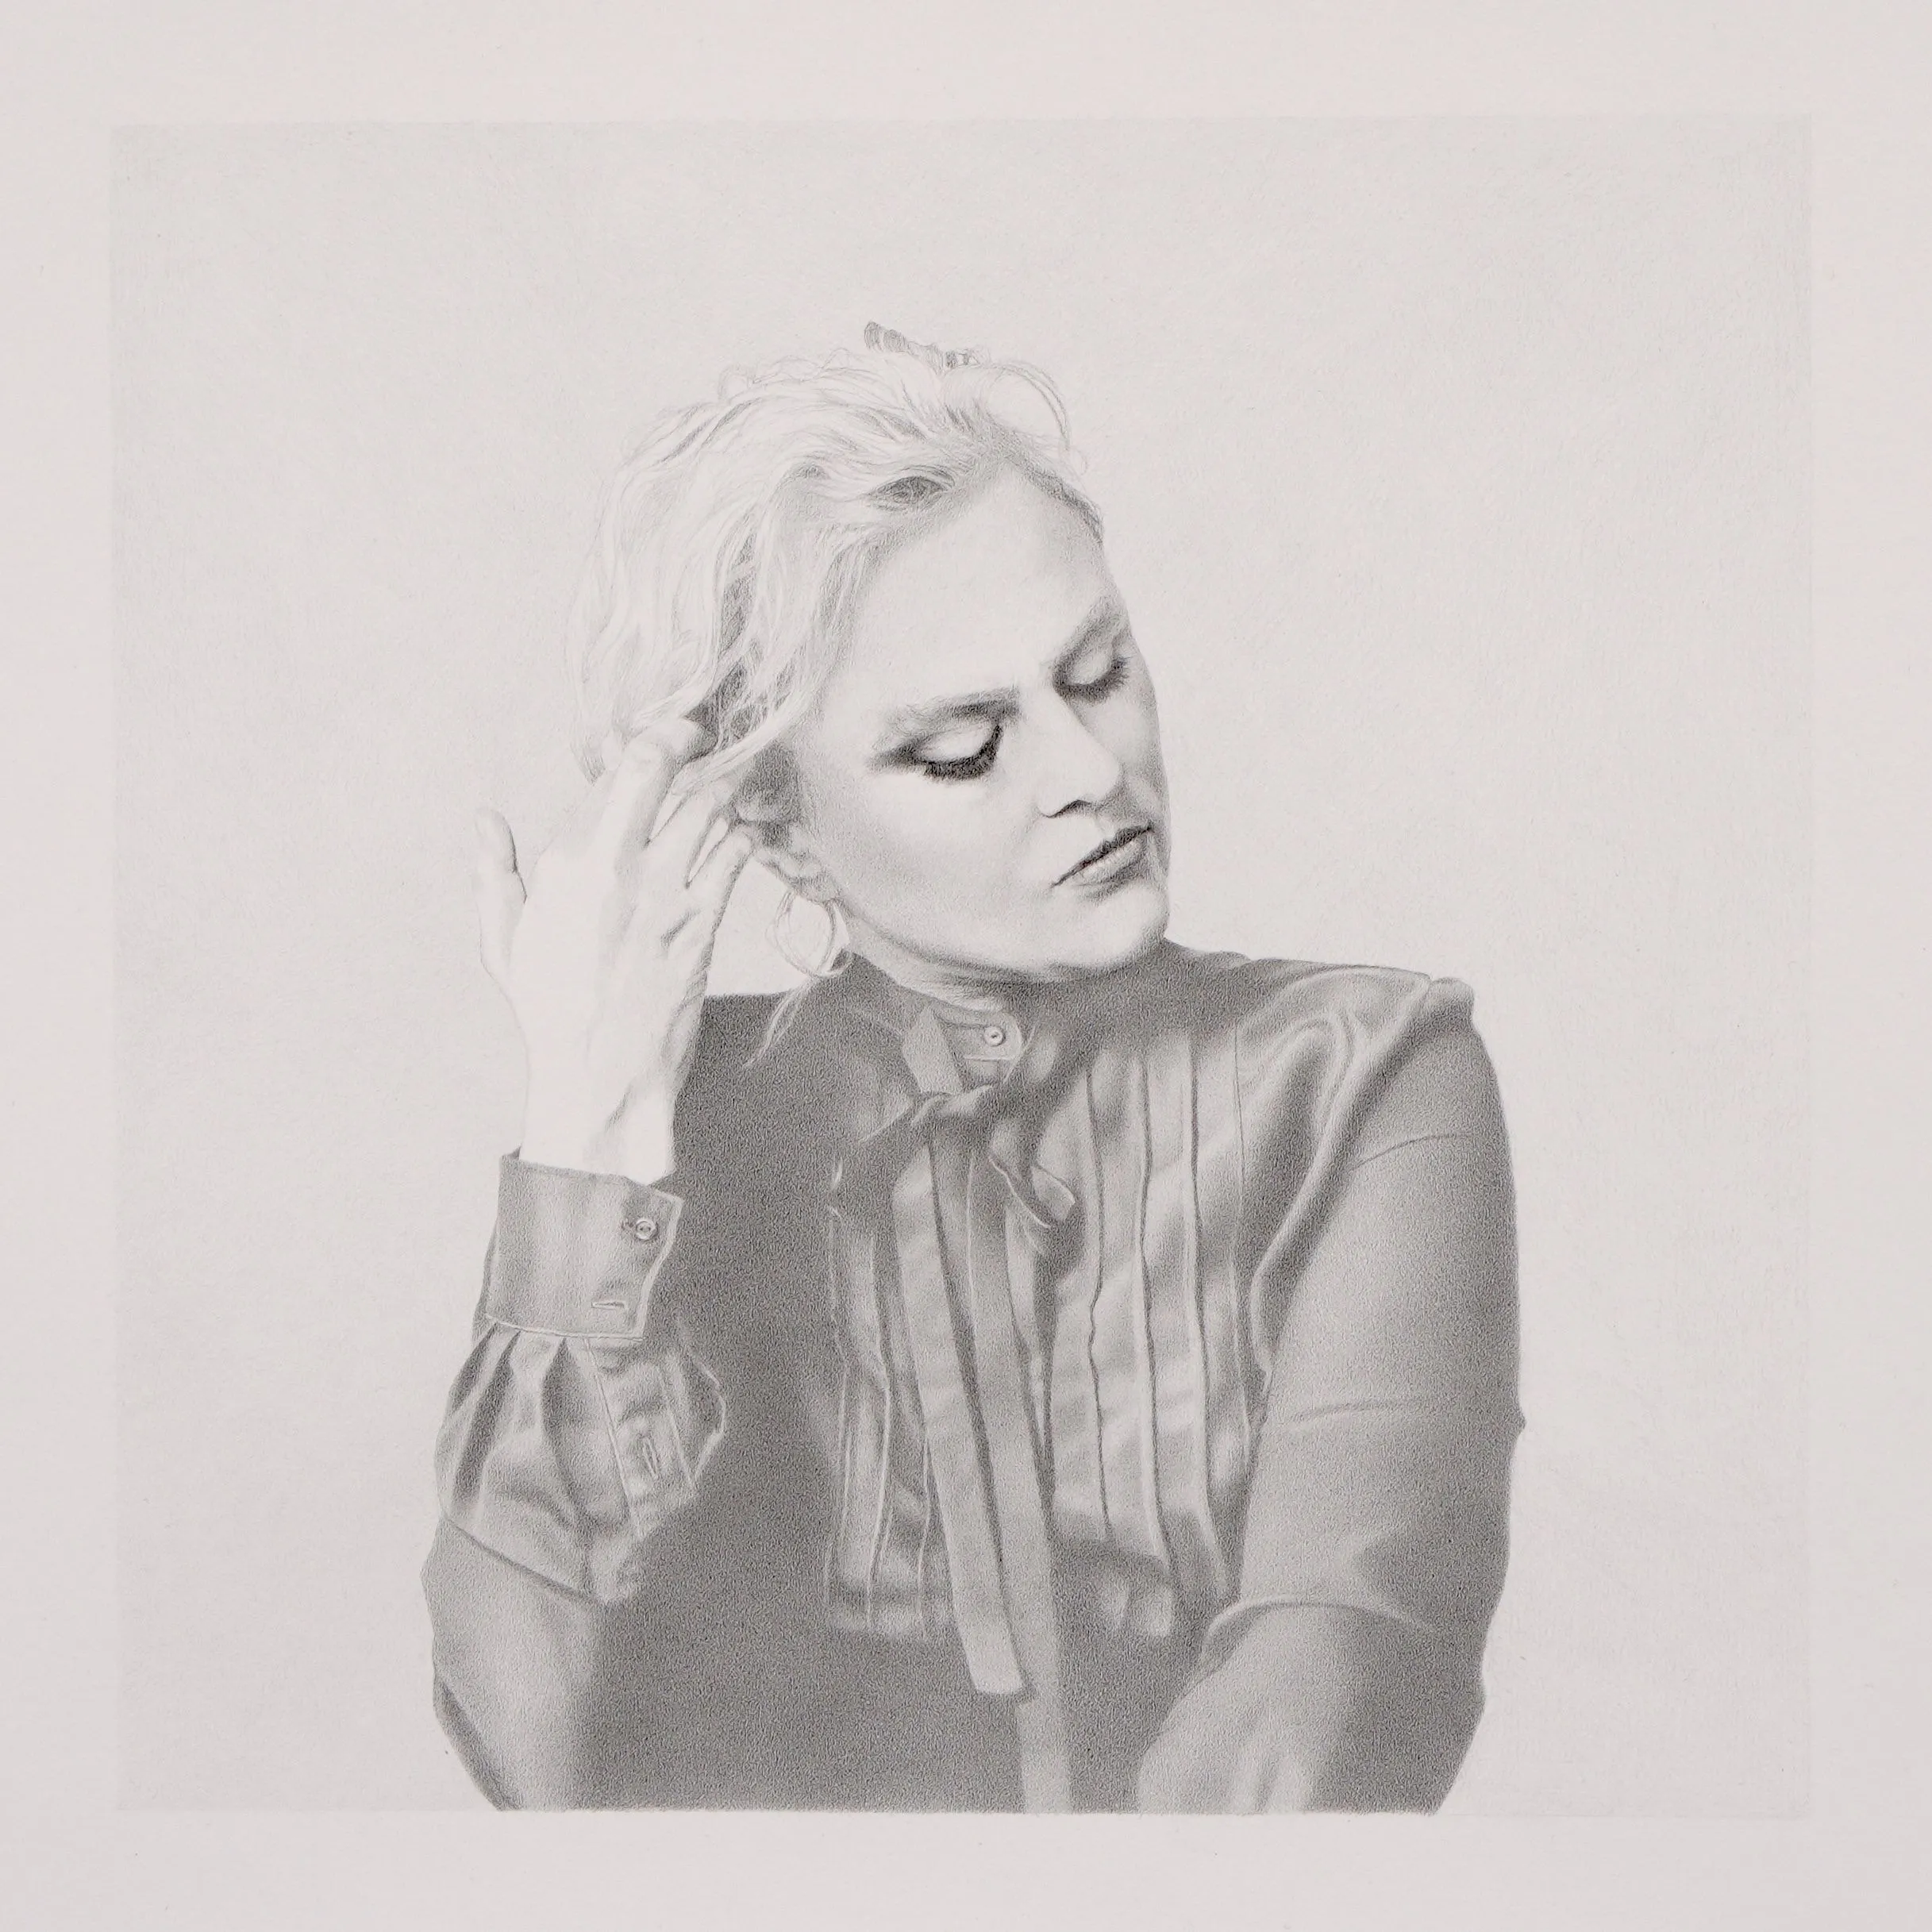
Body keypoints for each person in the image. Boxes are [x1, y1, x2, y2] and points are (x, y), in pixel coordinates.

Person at [423, 326, 1522, 1811]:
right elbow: (535, 1756)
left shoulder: (1361, 1078)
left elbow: (1333, 1700)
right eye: (960, 747)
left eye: (1100, 672)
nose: (1090, 770)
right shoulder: (677, 1135)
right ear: (775, 823)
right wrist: (587, 1122)